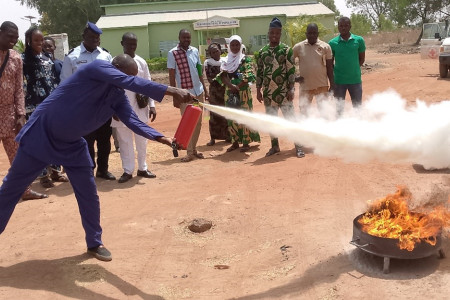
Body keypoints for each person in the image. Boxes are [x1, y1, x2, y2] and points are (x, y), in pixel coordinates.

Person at [0, 54, 194, 261]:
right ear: (115, 68)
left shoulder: (117, 96)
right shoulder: (97, 68)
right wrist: (172, 90)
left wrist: (161, 138)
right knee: (11, 190)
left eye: (129, 77)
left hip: (72, 145)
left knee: (88, 195)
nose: (124, 82)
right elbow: (130, 81)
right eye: (124, 75)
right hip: (41, 135)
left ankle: (94, 242)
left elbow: (132, 120)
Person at [61, 21, 116, 180]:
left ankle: (103, 170)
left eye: (97, 38)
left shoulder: (105, 55)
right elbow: (65, 84)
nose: (95, 40)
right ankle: (89, 171)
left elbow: (112, 80)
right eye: (91, 37)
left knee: (105, 140)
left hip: (103, 107)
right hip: (83, 109)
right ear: (84, 36)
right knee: (87, 141)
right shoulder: (72, 56)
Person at [0, 21, 47, 200]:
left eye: (16, 38)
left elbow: (20, 88)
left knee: (19, 157)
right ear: (0, 33)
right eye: (9, 36)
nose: (13, 40)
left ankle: (25, 191)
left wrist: (21, 114)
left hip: (11, 116)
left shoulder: (15, 58)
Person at [22, 26, 69, 188]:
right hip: (33, 107)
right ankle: (43, 175)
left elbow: (54, 81)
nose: (40, 43)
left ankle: (56, 171)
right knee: (38, 141)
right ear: (29, 41)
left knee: (54, 139)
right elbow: (21, 85)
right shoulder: (22, 60)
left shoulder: (48, 58)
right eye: (36, 40)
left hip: (52, 105)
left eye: (41, 40)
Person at [112, 32, 158, 183]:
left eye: (134, 44)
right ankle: (127, 170)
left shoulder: (141, 62)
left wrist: (152, 105)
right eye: (129, 44)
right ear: (122, 43)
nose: (132, 46)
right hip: (121, 109)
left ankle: (142, 168)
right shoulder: (116, 62)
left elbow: (149, 85)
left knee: (142, 139)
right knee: (124, 141)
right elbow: (109, 88)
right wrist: (113, 109)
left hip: (140, 107)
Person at [256, 17, 303, 158]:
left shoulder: (286, 50)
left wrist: (291, 88)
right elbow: (259, 72)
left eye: (277, 33)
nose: (274, 36)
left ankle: (298, 146)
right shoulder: (262, 52)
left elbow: (291, 71)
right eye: (272, 33)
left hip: (283, 93)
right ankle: (274, 146)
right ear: (268, 33)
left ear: (280, 34)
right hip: (268, 94)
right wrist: (258, 90)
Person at [168, 29, 208, 162]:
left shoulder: (195, 51)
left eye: (188, 38)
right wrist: (174, 95)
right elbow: (172, 76)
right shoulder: (172, 53)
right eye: (184, 37)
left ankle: (194, 149)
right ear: (179, 38)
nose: (186, 40)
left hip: (198, 92)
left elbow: (199, 71)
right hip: (185, 95)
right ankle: (189, 152)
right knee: (188, 123)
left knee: (198, 122)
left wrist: (205, 89)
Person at [218, 35, 260, 153]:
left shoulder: (246, 59)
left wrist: (238, 86)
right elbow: (222, 76)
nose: (235, 47)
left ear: (241, 45)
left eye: (237, 45)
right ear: (229, 46)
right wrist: (231, 87)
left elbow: (249, 75)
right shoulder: (225, 60)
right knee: (232, 117)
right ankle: (235, 142)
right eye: (233, 45)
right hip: (230, 93)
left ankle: (246, 143)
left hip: (243, 93)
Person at [293, 23, 334, 116]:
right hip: (305, 86)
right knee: (304, 112)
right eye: (309, 33)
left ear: (317, 34)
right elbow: (288, 62)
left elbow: (330, 67)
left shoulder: (325, 47)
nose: (312, 35)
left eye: (314, 33)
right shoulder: (298, 47)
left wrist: (332, 84)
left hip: (322, 86)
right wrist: (294, 77)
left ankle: (324, 129)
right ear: (306, 34)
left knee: (324, 112)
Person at [328, 17, 366, 115]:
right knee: (339, 110)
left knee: (357, 108)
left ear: (350, 26)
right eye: (341, 26)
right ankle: (339, 128)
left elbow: (361, 59)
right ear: (338, 27)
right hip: (339, 82)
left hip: (355, 81)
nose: (343, 28)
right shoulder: (332, 43)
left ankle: (358, 126)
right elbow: (330, 63)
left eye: (346, 26)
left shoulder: (359, 40)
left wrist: (353, 69)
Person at [204, 43, 229, 146]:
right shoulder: (208, 63)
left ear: (220, 50)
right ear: (210, 54)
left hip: (225, 91)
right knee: (213, 115)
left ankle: (228, 136)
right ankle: (213, 138)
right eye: (212, 52)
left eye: (217, 51)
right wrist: (222, 80)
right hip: (214, 92)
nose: (215, 53)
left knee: (226, 114)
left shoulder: (225, 61)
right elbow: (210, 78)